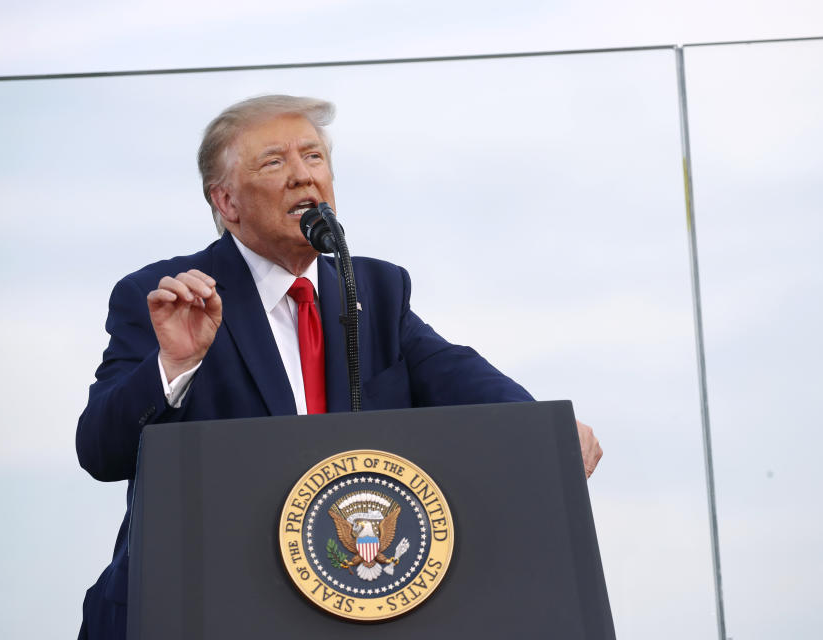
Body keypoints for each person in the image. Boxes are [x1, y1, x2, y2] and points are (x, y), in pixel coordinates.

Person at [76, 95, 602, 639]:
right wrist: (175, 364)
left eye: (314, 157)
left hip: (336, 607)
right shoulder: (167, 297)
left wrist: (546, 432)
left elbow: (459, 374)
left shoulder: (374, 290)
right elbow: (99, 449)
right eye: (274, 162)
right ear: (226, 202)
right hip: (191, 608)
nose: (303, 176)